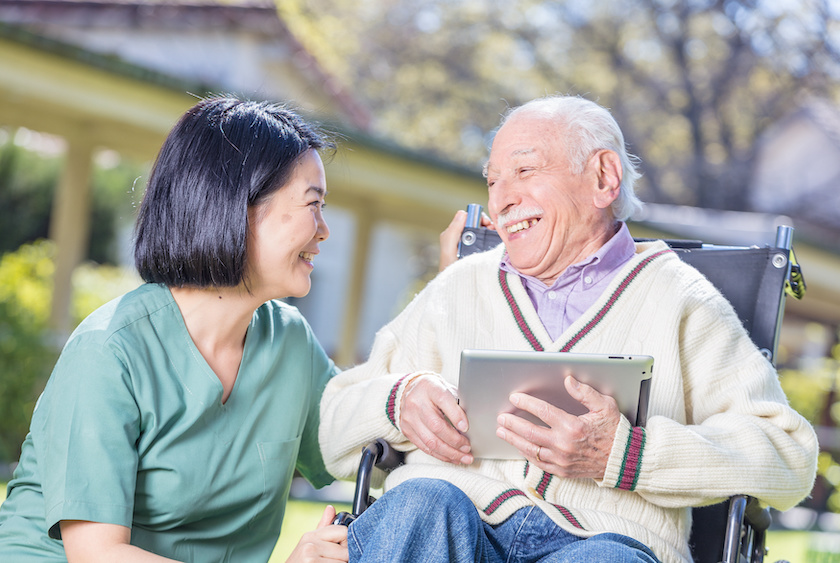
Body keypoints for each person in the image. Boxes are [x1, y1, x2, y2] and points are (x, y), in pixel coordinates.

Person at [319, 95, 818, 563]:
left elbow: (788, 456)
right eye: (493, 181)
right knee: (419, 503)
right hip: (450, 526)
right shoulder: (459, 287)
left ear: (604, 177)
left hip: (605, 538)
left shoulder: (682, 301)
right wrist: (397, 401)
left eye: (525, 170)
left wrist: (628, 455)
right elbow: (334, 429)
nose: (503, 201)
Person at [0, 97, 349, 562]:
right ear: (237, 207)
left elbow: (367, 442)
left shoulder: (288, 342)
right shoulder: (110, 349)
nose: (324, 230)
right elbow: (97, 555)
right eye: (313, 204)